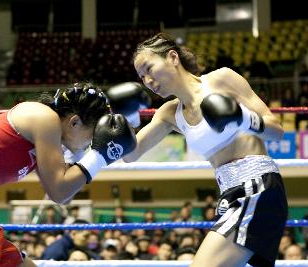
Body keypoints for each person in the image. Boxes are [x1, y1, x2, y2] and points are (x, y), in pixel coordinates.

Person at [0, 82, 137, 267]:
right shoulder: (44, 118)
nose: (87, 146)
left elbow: (65, 194)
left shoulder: (47, 132)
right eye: (90, 138)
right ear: (74, 121)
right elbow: (59, 192)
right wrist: (99, 156)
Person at [119, 32, 288, 267]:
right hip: (229, 194)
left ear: (172, 57)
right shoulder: (169, 113)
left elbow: (276, 129)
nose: (147, 80)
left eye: (149, 69)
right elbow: (130, 155)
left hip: (257, 186)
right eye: (141, 76)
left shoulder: (222, 79)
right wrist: (126, 120)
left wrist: (242, 118)